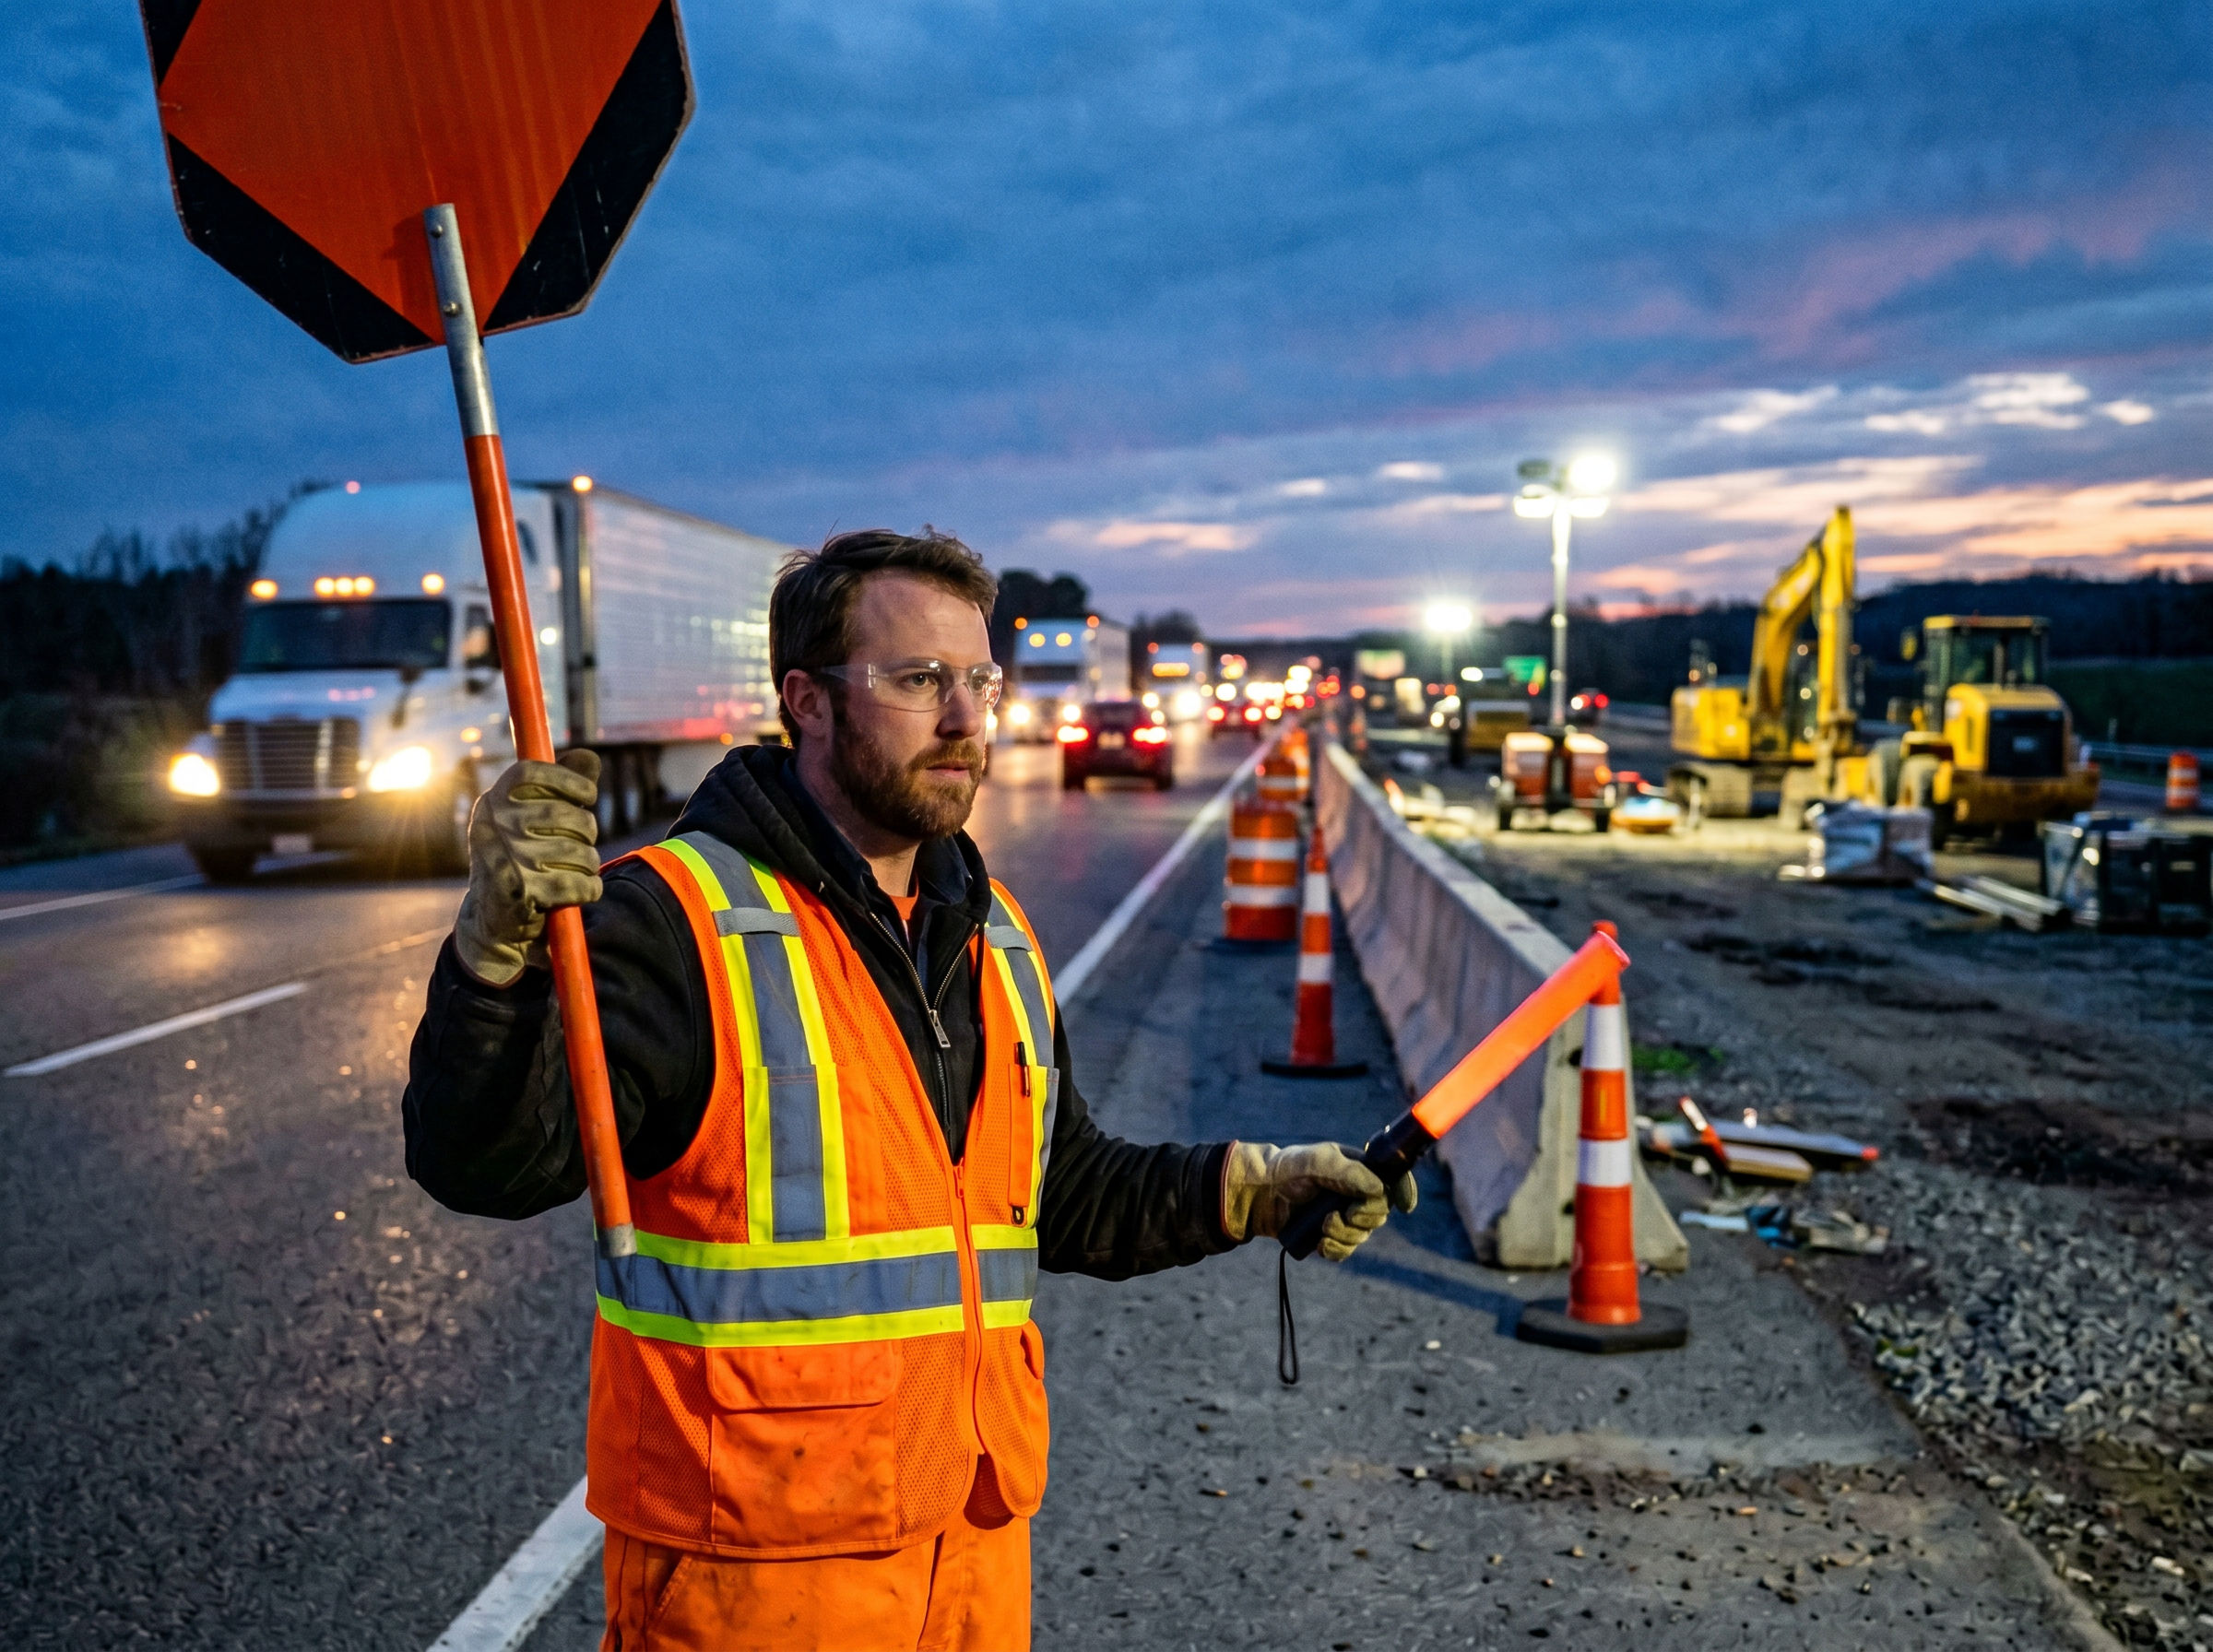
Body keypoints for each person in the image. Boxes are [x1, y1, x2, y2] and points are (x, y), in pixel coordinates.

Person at [403, 529, 1414, 1651]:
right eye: (918, 681)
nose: (968, 721)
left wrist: (1252, 1189)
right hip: (755, 1588)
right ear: (810, 701)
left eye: (979, 679)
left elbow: (1055, 1192)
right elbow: (486, 1164)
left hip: (968, 1571)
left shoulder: (994, 934)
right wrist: (493, 958)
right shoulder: (670, 921)